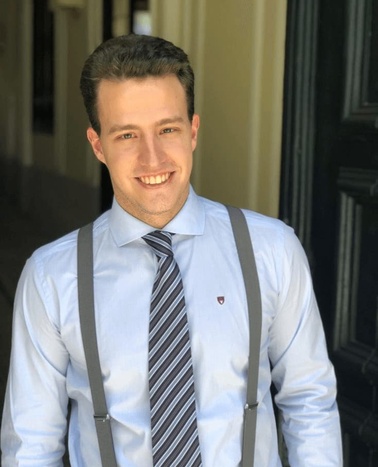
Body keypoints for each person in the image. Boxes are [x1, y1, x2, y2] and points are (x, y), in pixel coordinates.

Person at [1, 34, 342, 466]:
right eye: (127, 135)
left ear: (193, 131)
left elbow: (309, 403)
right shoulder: (51, 277)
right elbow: (30, 445)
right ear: (98, 145)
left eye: (168, 129)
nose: (152, 157)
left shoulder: (272, 251)